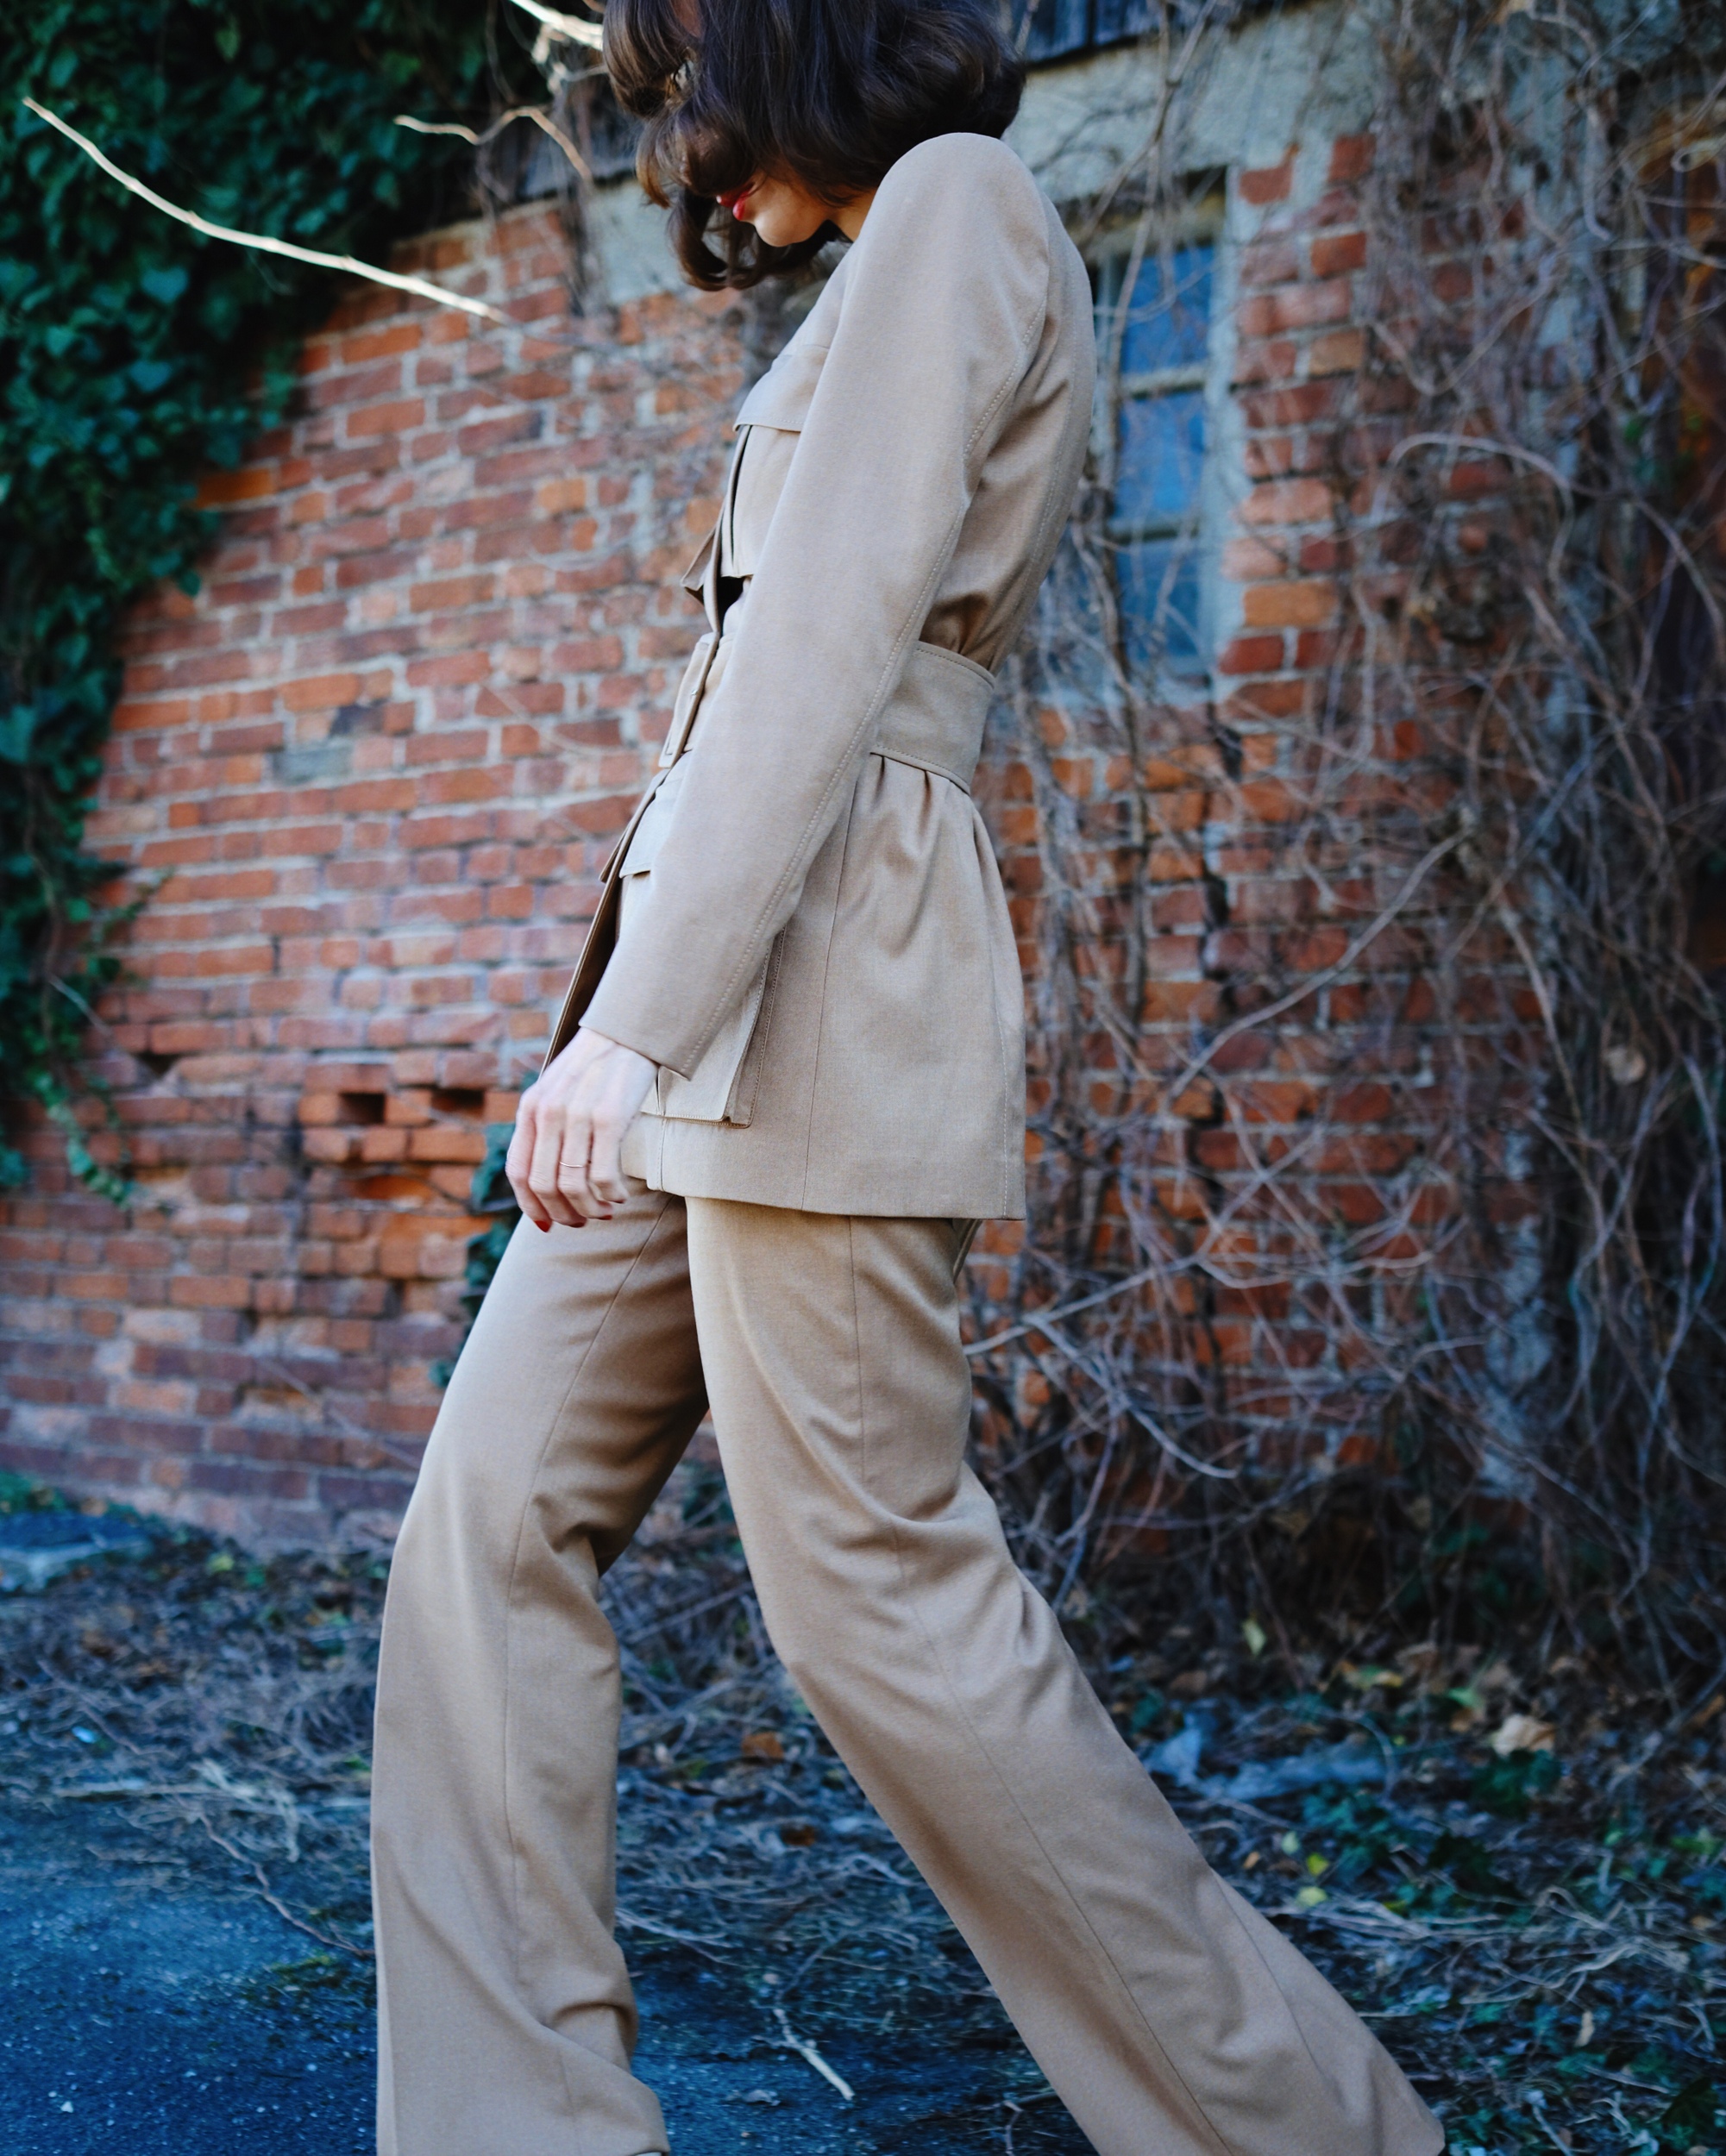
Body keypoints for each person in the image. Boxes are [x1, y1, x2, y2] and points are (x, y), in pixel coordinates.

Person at [370, 3, 1445, 2153]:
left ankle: (1308, 2130)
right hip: (714, 978)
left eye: (692, 85)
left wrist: (628, 1020)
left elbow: (826, 632)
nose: (682, 146)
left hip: (823, 974)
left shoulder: (958, 203)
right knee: (482, 1528)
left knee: (877, 1602)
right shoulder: (874, 260)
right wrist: (641, 1004)